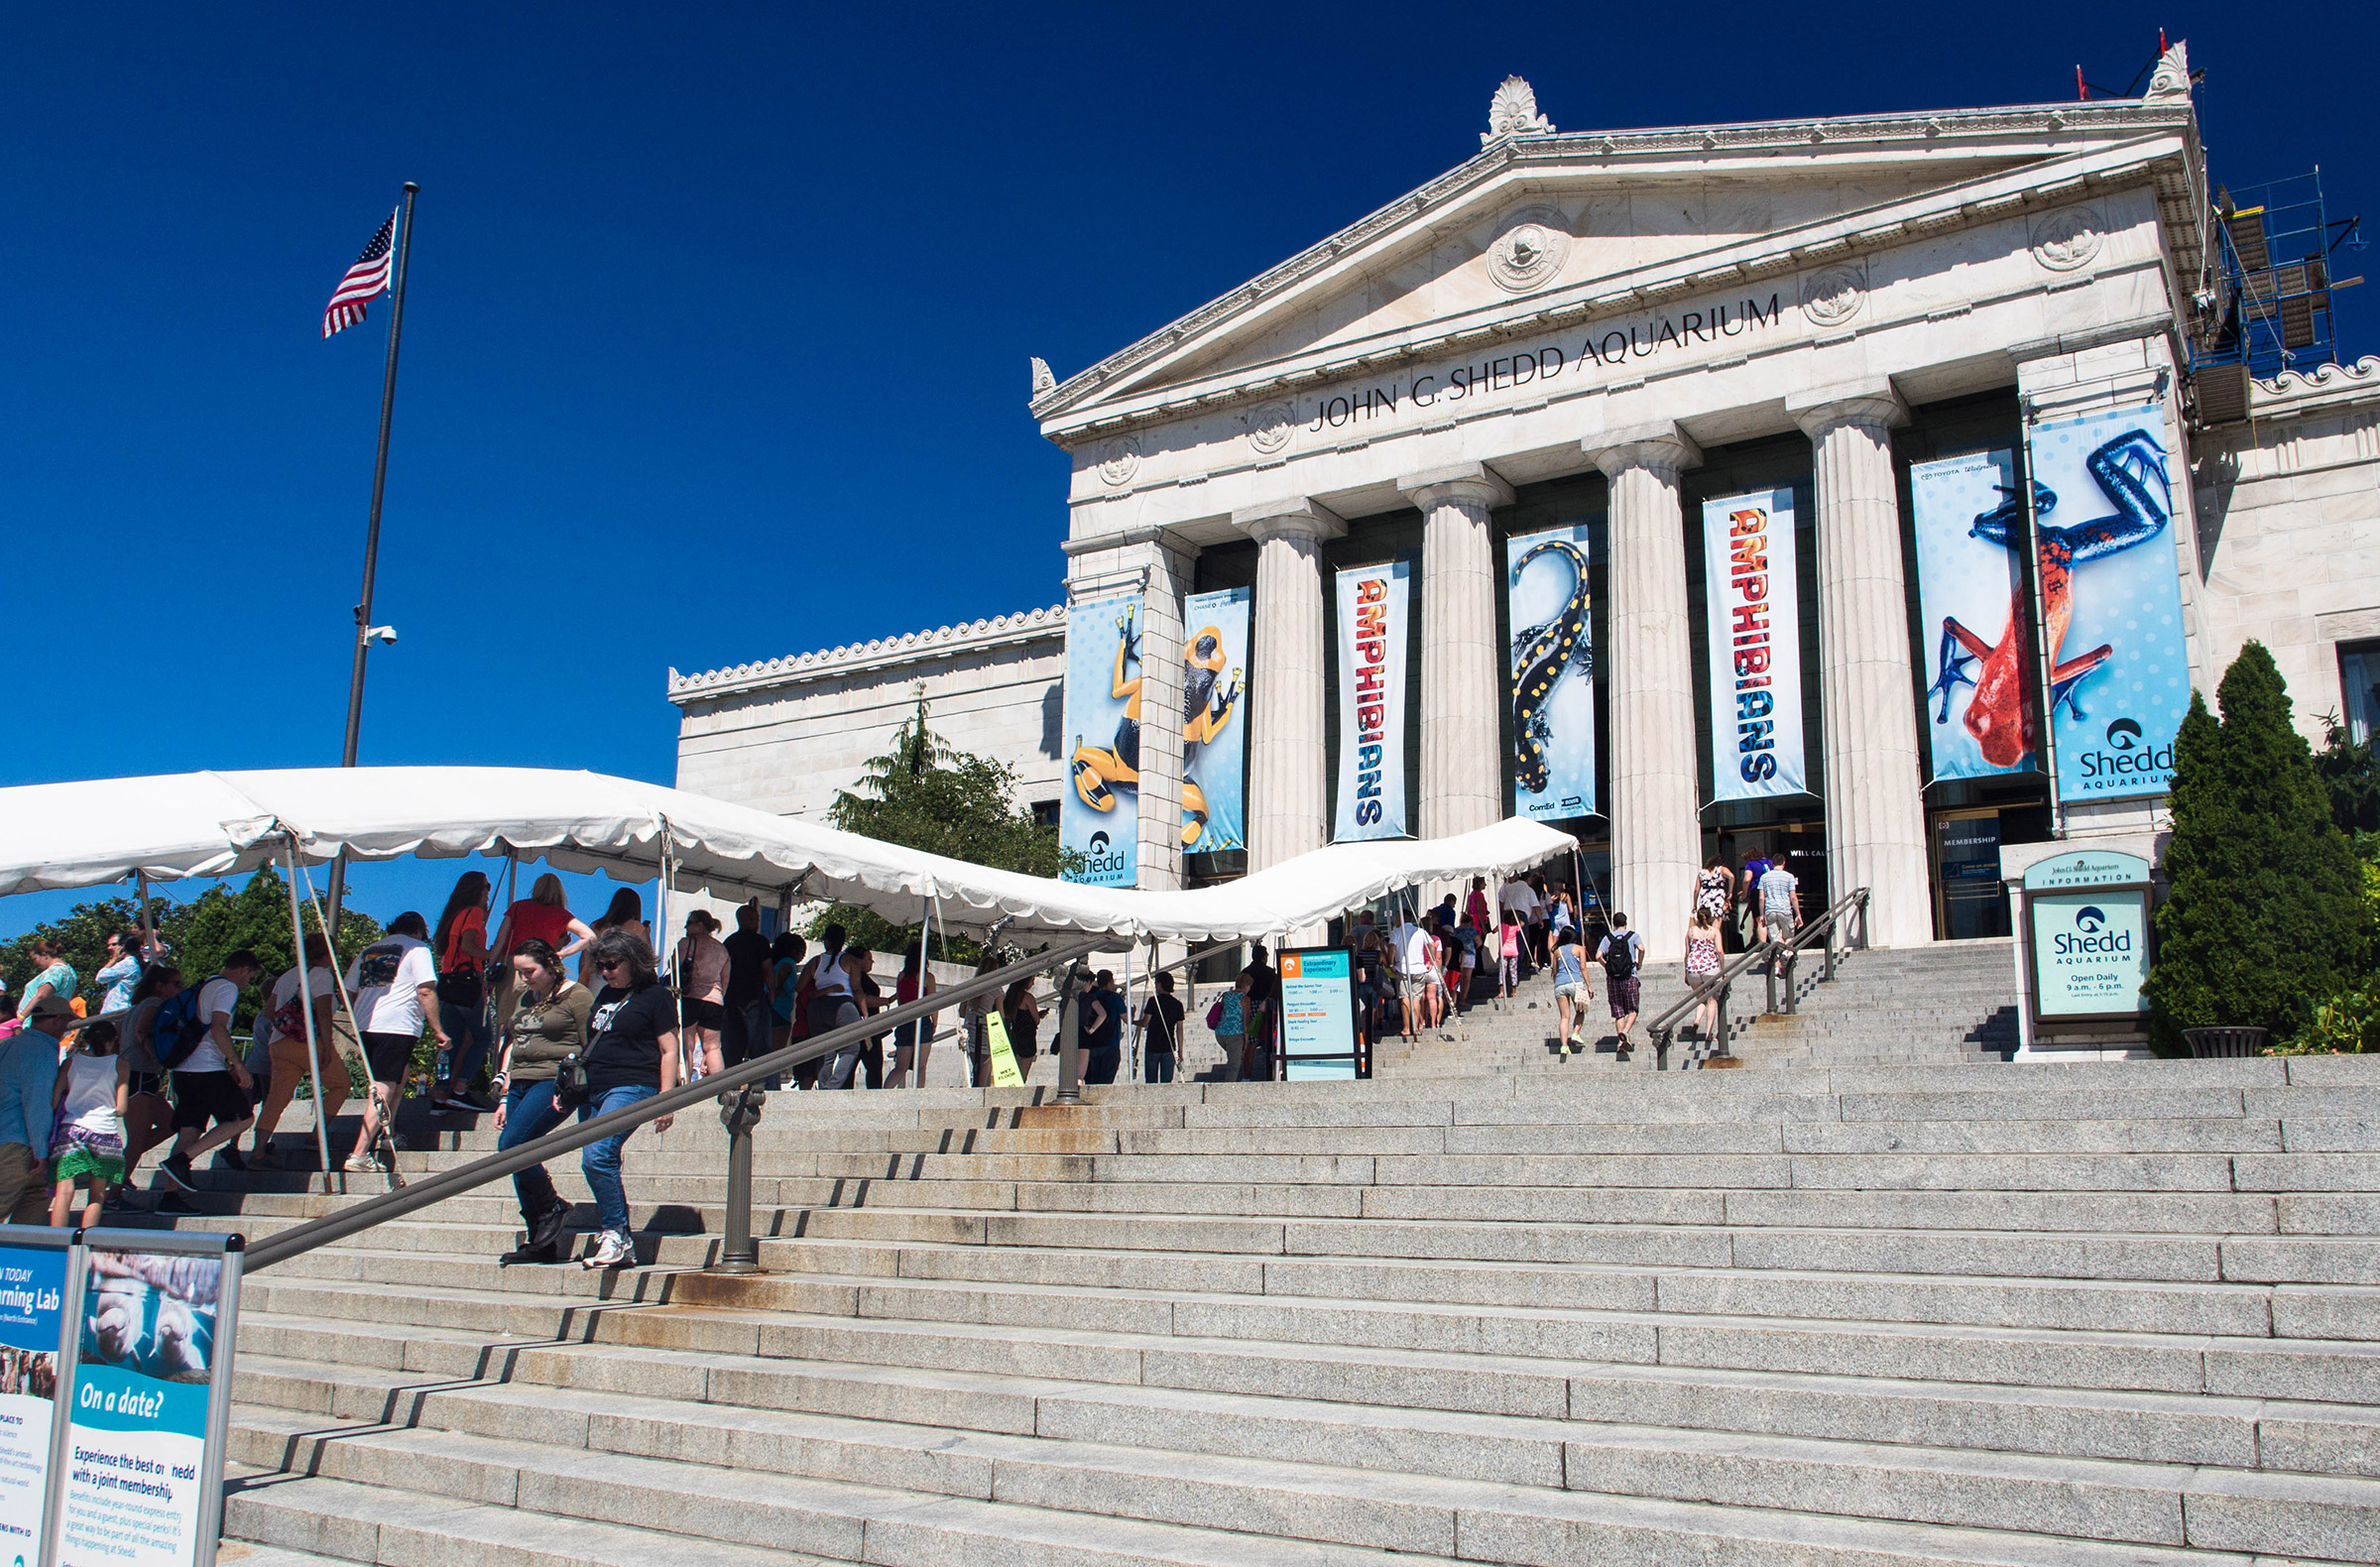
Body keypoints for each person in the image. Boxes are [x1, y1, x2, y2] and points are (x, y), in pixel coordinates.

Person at [577, 929, 680, 1269]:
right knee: (598, 1158)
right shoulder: (605, 992)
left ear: (633, 962)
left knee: (597, 1154)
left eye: (612, 964)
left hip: (633, 1084)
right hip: (594, 1088)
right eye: (601, 965)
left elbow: (669, 1048)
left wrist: (667, 1100)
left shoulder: (656, 996)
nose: (605, 971)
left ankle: (616, 1234)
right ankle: (618, 1237)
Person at [490, 938, 591, 1266]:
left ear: (550, 963)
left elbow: (591, 1044)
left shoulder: (576, 996)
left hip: (552, 1079)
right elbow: (514, 1044)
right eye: (519, 972)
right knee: (514, 1152)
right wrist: (504, 1094)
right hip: (519, 1081)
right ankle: (540, 1239)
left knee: (513, 1144)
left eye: (529, 971)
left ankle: (551, 1207)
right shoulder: (526, 998)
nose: (524, 978)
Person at [343, 913, 444, 1175]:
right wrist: (437, 1029)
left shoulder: (369, 950)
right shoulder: (418, 949)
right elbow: (425, 989)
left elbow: (348, 989)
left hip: (366, 1022)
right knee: (383, 1086)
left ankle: (387, 1133)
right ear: (420, 931)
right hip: (397, 1024)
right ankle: (360, 1152)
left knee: (401, 1075)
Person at [153, 949, 260, 1190]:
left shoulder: (204, 984)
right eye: (250, 977)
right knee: (242, 1118)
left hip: (183, 1069)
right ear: (244, 970)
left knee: (189, 1130)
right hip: (206, 1068)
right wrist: (237, 1064)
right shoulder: (227, 988)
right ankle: (182, 1160)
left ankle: (170, 1196)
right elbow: (218, 1027)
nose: (247, 984)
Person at [247, 935, 346, 1169]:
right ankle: (316, 1138)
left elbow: (269, 1011)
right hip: (309, 1043)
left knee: (276, 1099)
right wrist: (327, 1045)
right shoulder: (322, 975)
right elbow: (322, 1012)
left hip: (279, 1042)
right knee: (341, 1084)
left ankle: (258, 1151)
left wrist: (289, 1027)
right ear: (328, 953)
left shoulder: (288, 975)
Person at [50, 1020, 127, 1228]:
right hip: (104, 1131)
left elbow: (55, 1100)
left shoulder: (70, 1062)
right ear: (112, 1041)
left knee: (64, 1191)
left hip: (72, 1129)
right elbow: (121, 1108)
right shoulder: (120, 1064)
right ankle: (84, 1243)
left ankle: (56, 1243)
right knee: (97, 1195)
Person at [431, 870, 498, 1114]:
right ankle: (460, 1089)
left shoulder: (455, 914)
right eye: (486, 887)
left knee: (451, 1041)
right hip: (468, 981)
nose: (488, 891)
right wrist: (495, 954)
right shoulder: (474, 913)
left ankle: (440, 1092)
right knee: (483, 1037)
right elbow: (469, 946)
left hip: (448, 981)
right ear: (477, 889)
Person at [117, 967, 181, 1211]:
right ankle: (113, 1192)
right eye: (175, 984)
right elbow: (143, 1032)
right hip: (141, 1075)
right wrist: (161, 1056)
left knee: (171, 1123)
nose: (179, 989)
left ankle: (119, 1172)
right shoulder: (154, 1003)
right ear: (159, 985)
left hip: (142, 1075)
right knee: (136, 1138)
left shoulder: (135, 1007)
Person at [0, 997, 65, 1222]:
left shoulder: (8, 1045)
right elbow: (37, 1101)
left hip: (5, 1135)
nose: (66, 1029)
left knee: (37, 1197)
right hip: (20, 1143)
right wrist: (41, 1150)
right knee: (31, 1207)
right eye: (66, 1022)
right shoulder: (42, 1051)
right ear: (57, 1020)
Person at [672, 910, 730, 1083]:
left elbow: (674, 967)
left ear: (700, 925)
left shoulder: (685, 944)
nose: (685, 926)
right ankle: (720, 1087)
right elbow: (725, 979)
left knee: (686, 1045)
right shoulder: (722, 949)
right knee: (713, 1047)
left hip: (690, 997)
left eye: (689, 922)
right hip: (715, 1000)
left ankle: (685, 1086)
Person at [720, 903, 774, 1070]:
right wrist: (772, 993)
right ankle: (759, 1085)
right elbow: (768, 970)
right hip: (754, 999)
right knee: (760, 1051)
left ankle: (730, 1087)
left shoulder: (728, 942)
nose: (757, 922)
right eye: (754, 918)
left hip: (731, 1001)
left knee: (732, 1052)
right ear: (745, 920)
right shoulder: (760, 941)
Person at [889, 939, 938, 1089]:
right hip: (922, 1020)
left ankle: (884, 1091)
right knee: (921, 1066)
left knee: (901, 1067)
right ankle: (918, 1097)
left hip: (904, 1019)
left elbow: (901, 999)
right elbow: (933, 1003)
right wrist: (934, 1023)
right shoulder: (927, 978)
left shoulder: (901, 976)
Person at [1597, 913, 1644, 1060]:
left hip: (1613, 978)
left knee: (1618, 1011)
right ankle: (1625, 1031)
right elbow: (1641, 949)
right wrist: (1639, 963)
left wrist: (1608, 966)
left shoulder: (1608, 938)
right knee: (1633, 1009)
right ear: (1626, 922)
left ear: (1614, 923)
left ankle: (1620, 1042)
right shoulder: (1633, 936)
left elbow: (1598, 955)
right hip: (1629, 976)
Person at [570, 887, 640, 986]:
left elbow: (585, 959)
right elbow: (646, 958)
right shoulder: (636, 928)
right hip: (624, 980)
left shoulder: (597, 926)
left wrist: (583, 981)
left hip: (597, 976)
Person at [954, 948, 1001, 1088]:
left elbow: (962, 1011)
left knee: (976, 1067)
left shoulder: (972, 987)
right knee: (984, 1069)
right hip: (987, 1032)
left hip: (970, 1030)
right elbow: (1001, 1015)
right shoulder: (995, 989)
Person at [1550, 919, 1593, 1054]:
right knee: (1580, 1010)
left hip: (1560, 985)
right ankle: (1575, 1033)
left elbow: (1554, 971)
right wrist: (1589, 986)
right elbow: (1583, 968)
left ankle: (1563, 1046)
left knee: (1564, 1017)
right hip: (1575, 983)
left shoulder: (1557, 951)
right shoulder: (1580, 949)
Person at [1685, 904, 1726, 1041]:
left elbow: (1687, 953)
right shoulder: (1714, 932)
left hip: (1693, 968)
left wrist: (1686, 972)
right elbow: (1719, 951)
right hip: (1710, 967)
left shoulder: (1690, 931)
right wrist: (1723, 968)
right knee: (1712, 1000)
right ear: (1709, 917)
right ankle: (1708, 1034)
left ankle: (1697, 1020)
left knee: (1700, 998)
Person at [1758, 857, 1803, 972]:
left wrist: (1761, 914)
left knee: (1775, 939)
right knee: (1789, 936)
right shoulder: (1789, 876)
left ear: (1772, 863)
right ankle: (1786, 954)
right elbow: (1793, 897)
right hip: (1785, 910)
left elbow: (1761, 898)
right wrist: (1798, 914)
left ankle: (1778, 968)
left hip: (1770, 910)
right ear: (1784, 862)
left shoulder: (1764, 877)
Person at [1137, 972, 1184, 1084]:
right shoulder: (1177, 1004)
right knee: (1166, 1082)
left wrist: (1132, 1020)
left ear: (1159, 984)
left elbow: (1145, 1023)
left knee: (1150, 1081)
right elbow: (1180, 1030)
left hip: (1153, 1046)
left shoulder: (1153, 1001)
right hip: (1169, 1047)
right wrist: (1180, 1051)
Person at [1241, 945, 1277, 1079]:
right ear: (1264, 957)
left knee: (1251, 1044)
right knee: (1271, 1042)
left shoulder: (1245, 971)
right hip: (1267, 1007)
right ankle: (1272, 1074)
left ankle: (1246, 1076)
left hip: (1249, 1007)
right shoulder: (1269, 972)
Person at [1391, 912, 1430, 1041]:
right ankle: (1416, 1027)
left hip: (1403, 967)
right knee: (1416, 999)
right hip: (1418, 968)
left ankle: (1407, 1027)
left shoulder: (1396, 932)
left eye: (1397, 917)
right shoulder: (1420, 931)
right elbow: (1432, 944)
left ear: (1401, 918)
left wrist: (1391, 962)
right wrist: (1431, 961)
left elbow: (1392, 947)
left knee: (1405, 997)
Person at [1081, 971, 1123, 1085]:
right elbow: (1125, 1018)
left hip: (1093, 1043)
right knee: (1105, 1082)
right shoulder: (1115, 998)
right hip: (1111, 1044)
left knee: (1092, 1081)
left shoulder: (1091, 997)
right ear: (1110, 982)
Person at [768, 932, 806, 1053]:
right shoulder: (789, 962)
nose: (803, 956)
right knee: (777, 1052)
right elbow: (782, 975)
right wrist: (778, 991)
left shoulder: (775, 962)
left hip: (773, 1009)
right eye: (802, 952)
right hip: (780, 1010)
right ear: (793, 951)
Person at [20, 941, 77, 1022]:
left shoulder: (54, 972)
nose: (35, 963)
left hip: (35, 1024)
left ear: (44, 955)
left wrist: (21, 1017)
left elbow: (41, 996)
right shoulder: (70, 972)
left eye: (35, 959)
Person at [1000, 978, 1042, 1083]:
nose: (1033, 983)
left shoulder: (1008, 997)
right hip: (1026, 1037)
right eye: (1031, 980)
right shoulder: (1028, 997)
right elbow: (1036, 1020)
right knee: (1023, 1074)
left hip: (1012, 1035)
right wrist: (1040, 1016)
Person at [94, 931, 143, 1018]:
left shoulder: (126, 964)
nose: (110, 948)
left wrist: (114, 959)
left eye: (115, 945)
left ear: (123, 946)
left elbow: (100, 977)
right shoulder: (135, 963)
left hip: (116, 1010)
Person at [1211, 973, 1250, 1080]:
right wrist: (1246, 1040)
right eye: (1249, 985)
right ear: (1246, 985)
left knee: (1233, 1058)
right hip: (1235, 1034)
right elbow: (1245, 1021)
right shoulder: (1245, 999)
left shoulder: (1226, 995)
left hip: (1220, 1033)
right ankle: (1228, 1089)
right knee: (1234, 1065)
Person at [1496, 913, 1523, 1001]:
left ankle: (1501, 991)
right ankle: (1514, 992)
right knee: (1513, 971)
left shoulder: (1501, 926)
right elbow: (1522, 923)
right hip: (1513, 951)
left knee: (1502, 972)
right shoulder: (1515, 927)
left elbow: (1493, 930)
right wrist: (1517, 918)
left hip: (1504, 951)